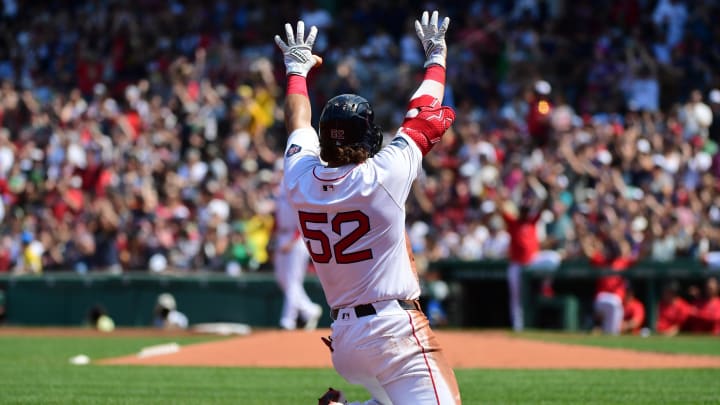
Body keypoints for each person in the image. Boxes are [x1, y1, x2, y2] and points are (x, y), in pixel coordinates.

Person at [274, 10, 461, 405]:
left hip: (345, 340)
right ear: (368, 135)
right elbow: (422, 112)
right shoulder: (382, 175)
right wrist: (436, 58)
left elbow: (296, 121)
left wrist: (296, 69)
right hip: (393, 329)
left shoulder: (300, 177)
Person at [496, 185, 561, 332]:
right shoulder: (513, 223)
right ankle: (518, 327)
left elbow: (544, 207)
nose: (525, 212)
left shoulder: (532, 221)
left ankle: (546, 284)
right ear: (520, 211)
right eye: (523, 210)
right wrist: (499, 194)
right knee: (516, 297)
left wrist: (548, 192)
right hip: (517, 265)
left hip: (532, 261)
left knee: (554, 258)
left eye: (527, 210)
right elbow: (500, 208)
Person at [272, 183, 323, 330]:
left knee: (293, 280)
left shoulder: (297, 193)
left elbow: (302, 218)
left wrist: (292, 240)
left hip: (297, 237)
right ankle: (308, 309)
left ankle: (288, 320)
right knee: (283, 280)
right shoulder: (281, 195)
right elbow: (277, 218)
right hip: (283, 235)